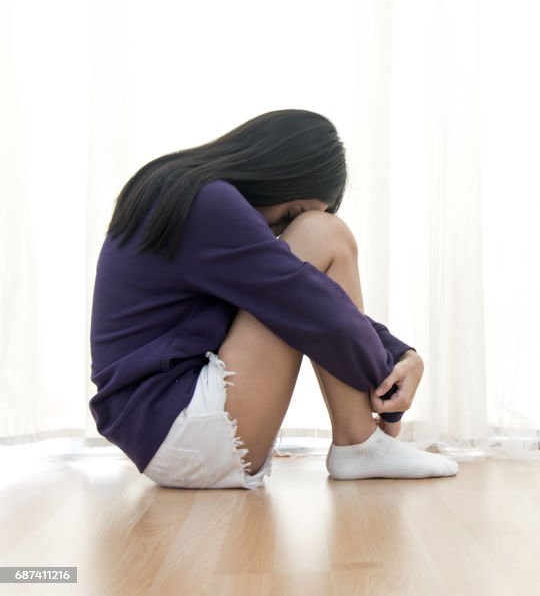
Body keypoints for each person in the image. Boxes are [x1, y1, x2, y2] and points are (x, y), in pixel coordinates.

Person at [89, 109, 458, 489]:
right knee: (323, 233)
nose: (283, 232)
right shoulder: (208, 204)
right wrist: (389, 395)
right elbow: (315, 308)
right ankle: (360, 442)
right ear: (275, 173)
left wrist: (400, 355)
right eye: (291, 213)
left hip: (166, 432)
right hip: (181, 427)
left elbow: (308, 296)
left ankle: (360, 442)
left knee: (306, 285)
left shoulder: (179, 188)